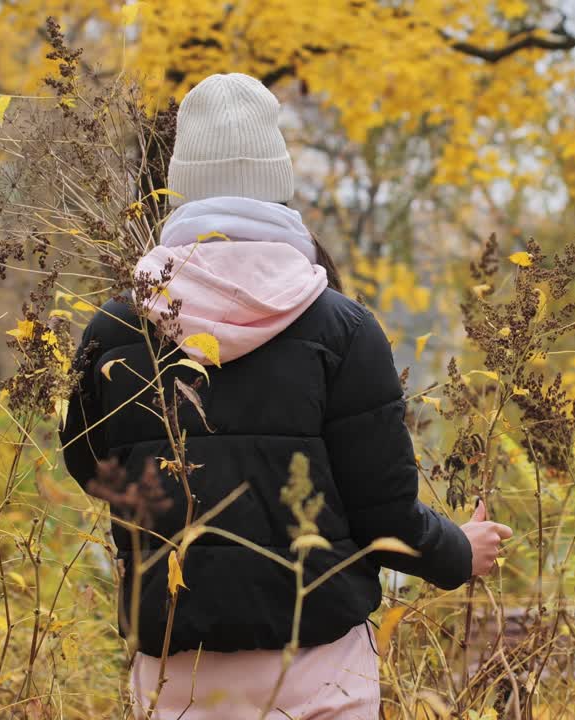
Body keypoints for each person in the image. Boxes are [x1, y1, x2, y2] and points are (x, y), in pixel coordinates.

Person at [59, 73, 513, 719]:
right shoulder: (343, 330)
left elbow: (89, 466)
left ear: (179, 184)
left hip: (175, 667)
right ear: (279, 180)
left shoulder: (115, 331)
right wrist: (458, 552)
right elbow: (383, 516)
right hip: (320, 665)